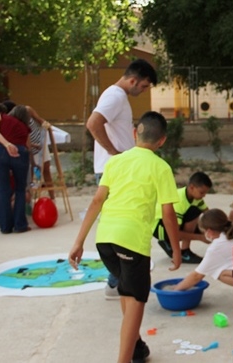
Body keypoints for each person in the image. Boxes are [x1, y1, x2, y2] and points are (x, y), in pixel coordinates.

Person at [68, 111, 181, 363]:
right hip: (132, 242)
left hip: (105, 240)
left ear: (134, 134)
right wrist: (175, 249)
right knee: (138, 300)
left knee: (127, 292)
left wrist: (78, 242)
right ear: (162, 141)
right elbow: (168, 213)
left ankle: (136, 347)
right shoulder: (161, 167)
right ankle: (124, 359)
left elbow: (98, 200)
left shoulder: (115, 162)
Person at [86, 58, 157, 299]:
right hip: (112, 172)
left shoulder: (117, 96)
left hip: (116, 170)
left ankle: (117, 281)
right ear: (133, 80)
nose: (143, 91)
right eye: (144, 86)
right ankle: (115, 282)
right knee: (119, 226)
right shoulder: (115, 96)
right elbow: (93, 124)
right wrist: (114, 153)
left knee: (120, 225)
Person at [173, 209, 233, 290]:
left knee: (218, 272)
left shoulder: (217, 246)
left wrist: (175, 290)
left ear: (209, 231)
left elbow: (197, 276)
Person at [153, 171, 213, 263]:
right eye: (202, 193)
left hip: (172, 224)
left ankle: (169, 244)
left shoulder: (196, 197)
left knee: (204, 226)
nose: (204, 196)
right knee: (194, 212)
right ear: (192, 187)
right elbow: (175, 232)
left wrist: (222, 227)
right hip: (159, 228)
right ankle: (184, 252)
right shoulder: (179, 202)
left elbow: (209, 215)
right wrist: (200, 237)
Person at [0, 103, 31, 234]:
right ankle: (20, 225)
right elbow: (28, 146)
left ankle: (5, 226)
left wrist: (6, 144)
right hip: (20, 152)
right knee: (20, 189)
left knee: (3, 190)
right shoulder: (25, 128)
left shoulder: (2, 118)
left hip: (0, 152)